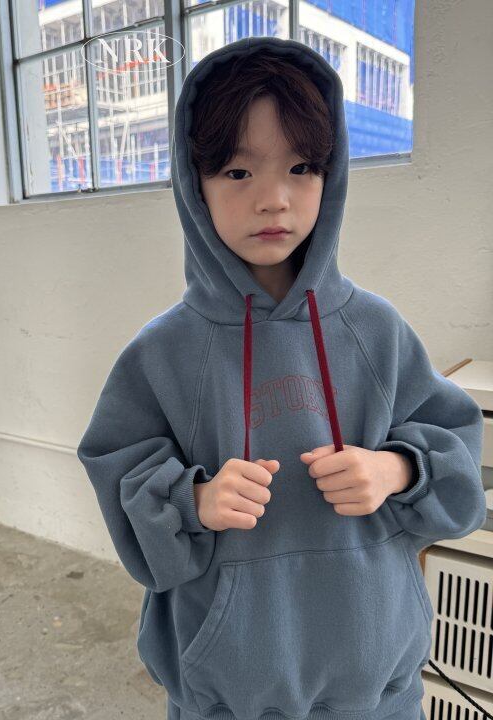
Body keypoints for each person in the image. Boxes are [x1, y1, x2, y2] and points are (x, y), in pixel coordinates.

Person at [76, 36, 487, 720]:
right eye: (238, 171)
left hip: (377, 693)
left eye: (301, 167)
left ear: (332, 174)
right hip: (228, 697)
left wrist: (395, 470)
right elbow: (121, 476)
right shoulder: (162, 353)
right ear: (194, 182)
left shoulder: (377, 330)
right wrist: (194, 500)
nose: (274, 199)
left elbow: (457, 464)